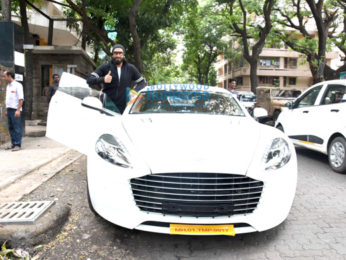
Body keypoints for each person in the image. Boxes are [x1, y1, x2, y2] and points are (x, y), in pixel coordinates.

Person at [86, 44, 146, 114]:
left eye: (120, 53)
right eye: (115, 53)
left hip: (124, 108)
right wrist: (103, 79)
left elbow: (142, 82)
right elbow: (89, 79)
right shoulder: (105, 67)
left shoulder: (130, 68)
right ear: (112, 55)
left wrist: (134, 91)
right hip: (107, 106)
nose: (118, 55)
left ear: (123, 55)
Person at [3, 71, 24, 151]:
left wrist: (18, 110)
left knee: (17, 128)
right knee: (11, 127)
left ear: (9, 76)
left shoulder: (17, 85)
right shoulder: (8, 86)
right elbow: (8, 99)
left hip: (15, 109)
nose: (3, 78)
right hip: (9, 109)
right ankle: (13, 143)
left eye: (4, 76)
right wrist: (6, 110)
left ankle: (17, 145)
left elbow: (21, 99)